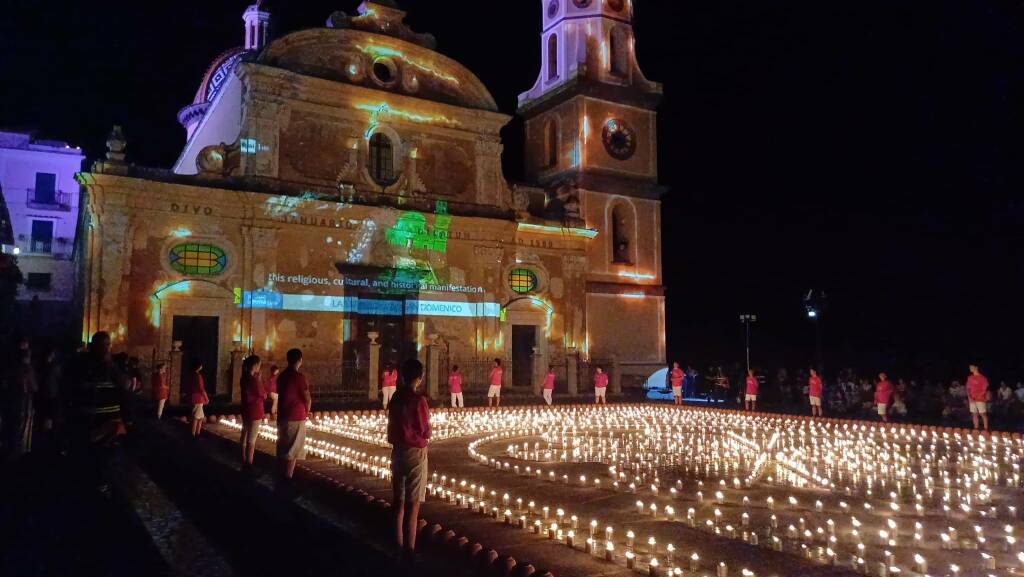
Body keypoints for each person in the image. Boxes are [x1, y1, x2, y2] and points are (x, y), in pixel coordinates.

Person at [388, 359, 430, 561]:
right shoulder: (418, 401)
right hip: (415, 452)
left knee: (398, 499)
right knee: (413, 504)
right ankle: (409, 549)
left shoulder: (395, 397)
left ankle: (396, 543)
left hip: (397, 451)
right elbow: (424, 429)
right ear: (419, 378)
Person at [276, 348, 311, 480]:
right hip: (295, 416)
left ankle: (280, 475)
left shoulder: (282, 376)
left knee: (283, 445)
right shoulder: (299, 377)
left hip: (283, 415)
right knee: (293, 449)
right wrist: (307, 410)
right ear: (300, 360)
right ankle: (287, 478)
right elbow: (306, 396)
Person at [3, 348, 37, 458]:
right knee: (20, 426)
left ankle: (10, 450)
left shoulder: (12, 368)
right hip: (23, 402)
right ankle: (18, 452)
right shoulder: (26, 369)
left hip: (13, 402)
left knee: (12, 427)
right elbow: (34, 386)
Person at [239, 355, 266, 467]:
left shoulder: (243, 378)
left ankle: (243, 458)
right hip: (255, 410)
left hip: (246, 409)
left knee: (245, 433)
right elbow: (263, 394)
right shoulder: (254, 380)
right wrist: (259, 380)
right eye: (259, 365)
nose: (260, 367)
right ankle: (249, 462)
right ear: (255, 366)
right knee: (252, 438)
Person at [187, 359, 209, 437]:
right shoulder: (198, 376)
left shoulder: (191, 375)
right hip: (198, 398)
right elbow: (201, 388)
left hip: (194, 397)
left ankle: (197, 432)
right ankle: (194, 433)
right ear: (199, 367)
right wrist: (206, 397)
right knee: (197, 417)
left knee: (199, 416)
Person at [966, 364, 990, 431]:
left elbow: (984, 389)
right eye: (969, 367)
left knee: (982, 414)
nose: (970, 368)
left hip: (980, 399)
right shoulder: (970, 377)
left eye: (971, 367)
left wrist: (979, 396)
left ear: (976, 367)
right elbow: (968, 388)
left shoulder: (982, 378)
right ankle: (976, 428)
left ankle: (986, 429)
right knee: (974, 414)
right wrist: (969, 397)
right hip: (972, 399)